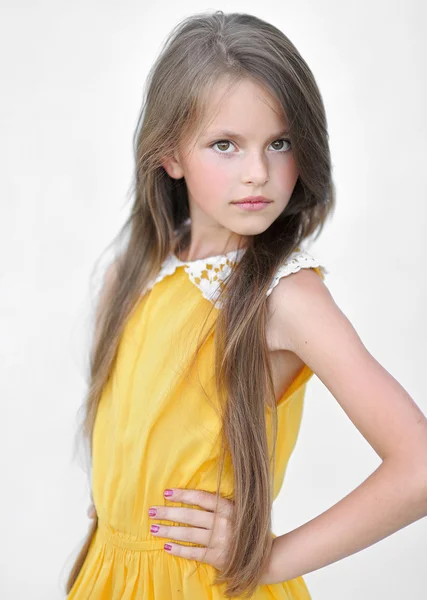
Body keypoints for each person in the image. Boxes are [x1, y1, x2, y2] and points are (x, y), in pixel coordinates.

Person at [64, 10, 427, 600]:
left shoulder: (284, 295)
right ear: (171, 155)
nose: (258, 173)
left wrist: (271, 557)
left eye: (279, 143)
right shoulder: (130, 277)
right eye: (225, 145)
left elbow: (419, 468)